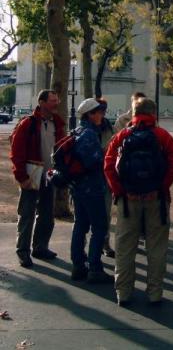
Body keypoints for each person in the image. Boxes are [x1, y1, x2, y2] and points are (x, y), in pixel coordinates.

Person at [104, 98, 173, 306]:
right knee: (156, 247)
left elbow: (108, 164)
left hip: (128, 200)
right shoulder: (162, 136)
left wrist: (119, 190)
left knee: (125, 247)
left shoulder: (122, 136)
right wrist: (163, 186)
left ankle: (124, 292)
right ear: (153, 113)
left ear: (133, 113)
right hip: (156, 198)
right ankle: (155, 292)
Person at [10, 89, 65, 268]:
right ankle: (23, 251)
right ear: (42, 103)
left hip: (49, 176)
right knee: (27, 214)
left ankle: (40, 247)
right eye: (52, 100)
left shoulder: (57, 123)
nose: (56, 103)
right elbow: (17, 152)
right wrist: (21, 177)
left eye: (57, 100)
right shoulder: (28, 124)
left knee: (47, 215)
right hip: (32, 175)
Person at [70, 98, 113, 283]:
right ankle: (95, 268)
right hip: (92, 187)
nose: (101, 116)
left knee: (80, 225)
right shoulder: (88, 134)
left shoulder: (76, 131)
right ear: (90, 114)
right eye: (98, 112)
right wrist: (106, 155)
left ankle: (78, 265)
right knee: (99, 227)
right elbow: (94, 161)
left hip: (78, 187)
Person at [96, 98, 115, 258]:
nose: (102, 113)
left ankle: (105, 242)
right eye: (100, 110)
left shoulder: (108, 126)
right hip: (91, 177)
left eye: (104, 110)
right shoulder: (85, 129)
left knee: (106, 213)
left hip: (105, 176)